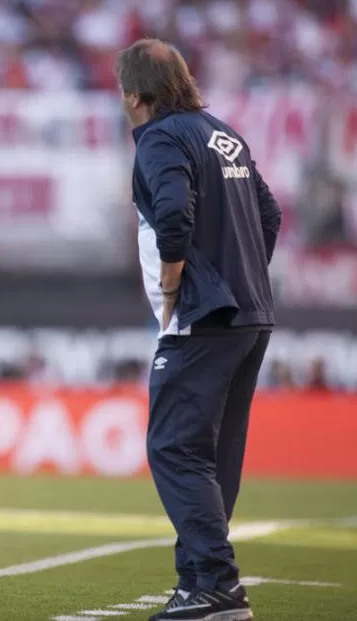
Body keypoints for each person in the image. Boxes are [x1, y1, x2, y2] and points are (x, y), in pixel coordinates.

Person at [116, 39, 282, 621]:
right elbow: (269, 214)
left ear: (134, 94)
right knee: (212, 457)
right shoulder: (223, 132)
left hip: (203, 318)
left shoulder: (161, 137)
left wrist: (172, 285)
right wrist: (244, 275)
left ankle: (215, 584)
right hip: (249, 314)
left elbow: (172, 212)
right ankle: (201, 586)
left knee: (174, 447)